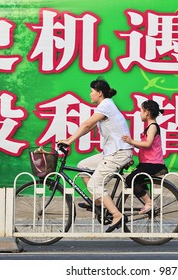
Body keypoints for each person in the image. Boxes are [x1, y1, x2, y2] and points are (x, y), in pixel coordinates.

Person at [57, 77, 133, 232]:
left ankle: (116, 215)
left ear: (99, 93)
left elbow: (87, 124)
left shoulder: (106, 105)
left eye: (91, 91)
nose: (89, 94)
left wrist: (69, 141)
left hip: (119, 152)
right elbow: (87, 128)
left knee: (94, 184)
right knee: (83, 166)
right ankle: (98, 200)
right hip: (111, 152)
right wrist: (70, 139)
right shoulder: (106, 106)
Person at [121, 100, 168, 214]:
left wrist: (131, 141)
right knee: (136, 179)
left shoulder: (153, 126)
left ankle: (149, 202)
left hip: (153, 164)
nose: (140, 113)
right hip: (147, 163)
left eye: (141, 110)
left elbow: (148, 144)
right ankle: (148, 201)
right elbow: (144, 147)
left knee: (130, 179)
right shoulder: (149, 127)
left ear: (146, 112)